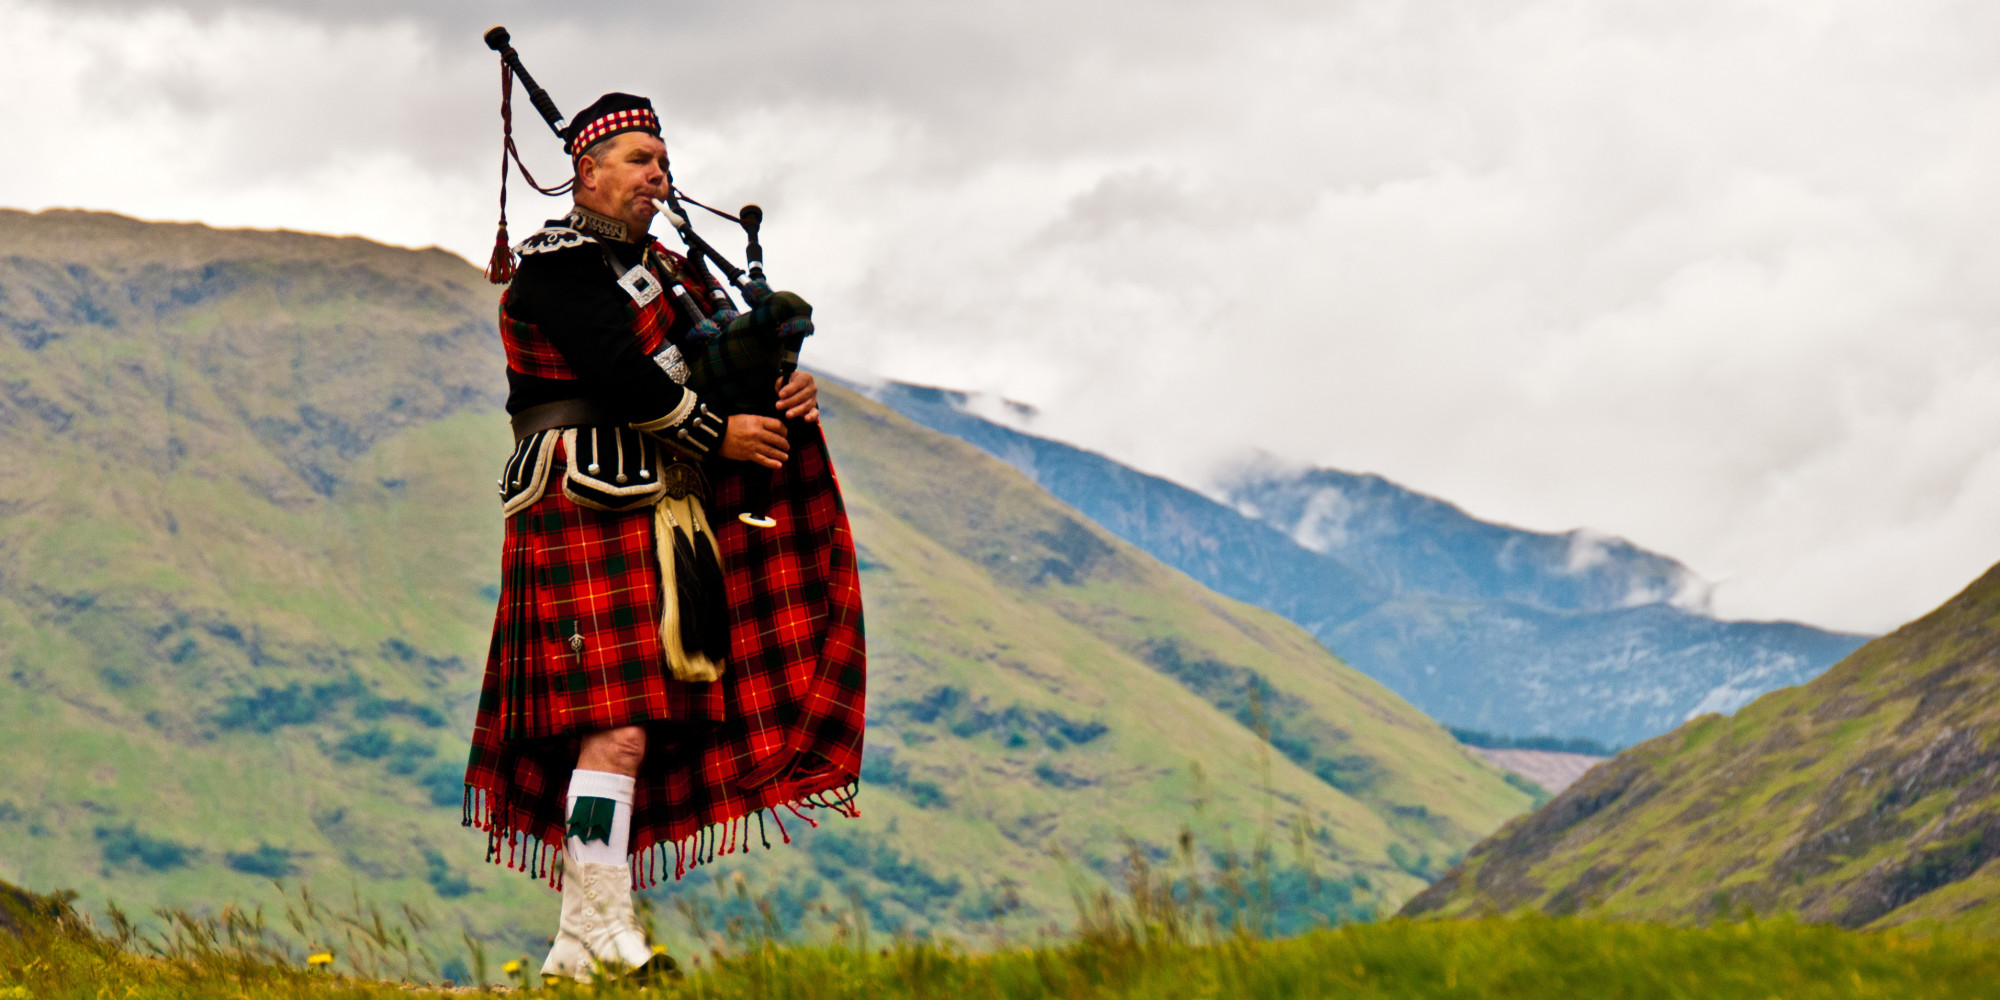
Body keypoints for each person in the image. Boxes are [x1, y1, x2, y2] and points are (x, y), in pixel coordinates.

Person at [462, 92, 867, 983]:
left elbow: (720, 358)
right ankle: (609, 932)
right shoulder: (558, 268)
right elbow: (623, 373)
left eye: (662, 160)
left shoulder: (669, 274)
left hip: (652, 507)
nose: (658, 175)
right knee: (615, 729)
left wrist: (780, 392)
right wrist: (720, 434)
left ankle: (581, 941)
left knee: (626, 729)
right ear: (588, 170)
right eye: (640, 159)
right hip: (578, 497)